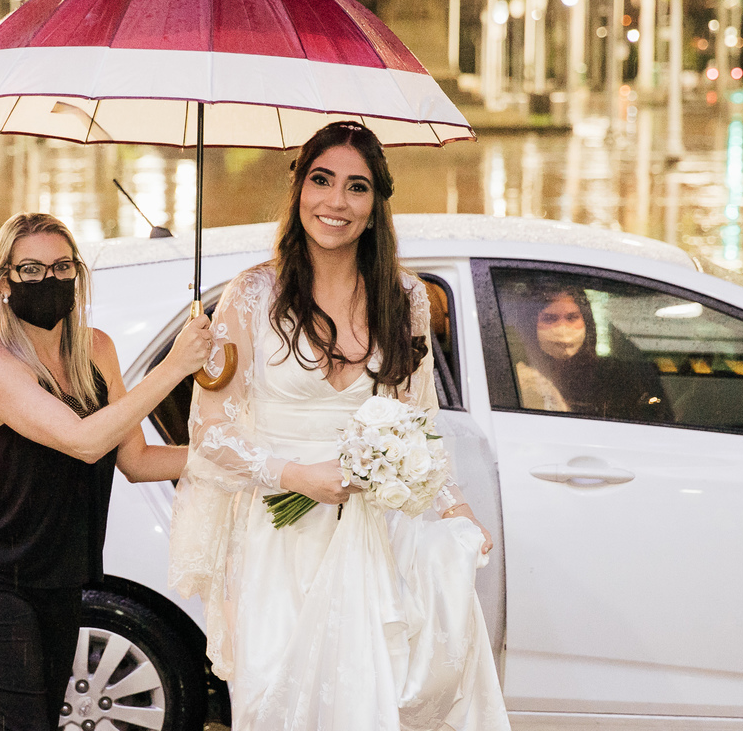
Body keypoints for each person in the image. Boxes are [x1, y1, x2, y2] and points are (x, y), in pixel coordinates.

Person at [169, 122, 510, 731]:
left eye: (357, 187)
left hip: (373, 538)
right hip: (277, 542)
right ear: (299, 188)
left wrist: (454, 508)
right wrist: (297, 475)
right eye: (321, 180)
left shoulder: (404, 297)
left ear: (376, 206)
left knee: (363, 706)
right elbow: (210, 435)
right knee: (275, 702)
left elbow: (419, 423)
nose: (336, 201)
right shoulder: (250, 295)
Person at [0, 212, 212, 731]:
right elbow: (86, 443)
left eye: (62, 266)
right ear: (3, 283)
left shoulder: (97, 349)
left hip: (62, 578)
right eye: (31, 270)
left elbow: (134, 460)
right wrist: (174, 366)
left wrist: (233, 457)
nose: (49, 280)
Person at [512, 283, 671, 422]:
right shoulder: (517, 378)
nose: (563, 328)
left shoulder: (617, 378)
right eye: (550, 318)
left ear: (587, 322)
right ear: (530, 326)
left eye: (572, 317)